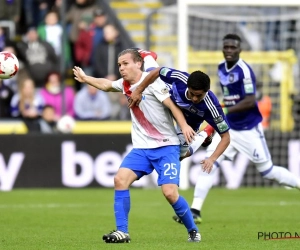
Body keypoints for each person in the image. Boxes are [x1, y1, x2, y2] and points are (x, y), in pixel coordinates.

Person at [73, 48, 201, 243]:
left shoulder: (153, 82)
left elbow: (172, 106)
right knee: (120, 180)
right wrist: (86, 78)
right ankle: (122, 231)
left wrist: (183, 126)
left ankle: (193, 230)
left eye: (125, 63)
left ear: (138, 63)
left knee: (169, 193)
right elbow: (107, 85)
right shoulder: (125, 84)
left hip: (166, 147)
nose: (121, 68)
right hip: (142, 148)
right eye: (119, 65)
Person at [173, 33, 300, 225]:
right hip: (229, 128)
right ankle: (195, 210)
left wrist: (224, 109)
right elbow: (227, 97)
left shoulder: (245, 71)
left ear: (240, 49)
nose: (229, 50)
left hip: (249, 128)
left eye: (233, 47)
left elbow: (250, 100)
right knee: (209, 163)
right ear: (223, 48)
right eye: (227, 47)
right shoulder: (220, 68)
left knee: (268, 172)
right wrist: (220, 116)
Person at [128, 51, 230, 173]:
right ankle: (148, 56)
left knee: (178, 156)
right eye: (192, 94)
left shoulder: (212, 107)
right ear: (188, 86)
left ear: (207, 91)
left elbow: (226, 137)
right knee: (151, 77)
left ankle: (206, 132)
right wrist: (139, 90)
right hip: (169, 104)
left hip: (189, 124)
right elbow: (158, 71)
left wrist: (212, 159)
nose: (195, 99)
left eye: (199, 96)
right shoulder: (180, 78)